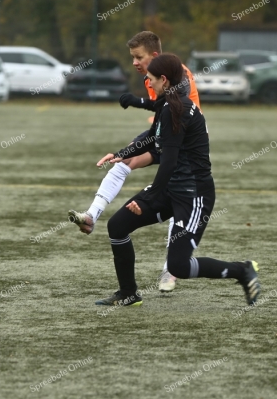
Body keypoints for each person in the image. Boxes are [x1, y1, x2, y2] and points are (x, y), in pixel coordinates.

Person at [94, 53, 261, 308]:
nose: (148, 83)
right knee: (117, 226)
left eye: (151, 79)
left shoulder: (176, 110)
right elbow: (151, 138)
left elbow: (168, 161)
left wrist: (148, 198)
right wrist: (121, 154)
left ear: (164, 80)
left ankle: (243, 270)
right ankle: (128, 293)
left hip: (194, 195)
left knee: (179, 266)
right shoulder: (166, 104)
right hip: (172, 188)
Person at [68, 31, 201, 292]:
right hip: (163, 136)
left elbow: (172, 105)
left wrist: (138, 103)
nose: (134, 63)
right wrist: (129, 148)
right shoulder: (150, 78)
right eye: (132, 57)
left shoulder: (177, 72)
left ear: (154, 56)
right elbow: (159, 113)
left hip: (183, 142)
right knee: (123, 161)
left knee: (175, 191)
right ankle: (91, 216)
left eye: (138, 57)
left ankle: (170, 269)